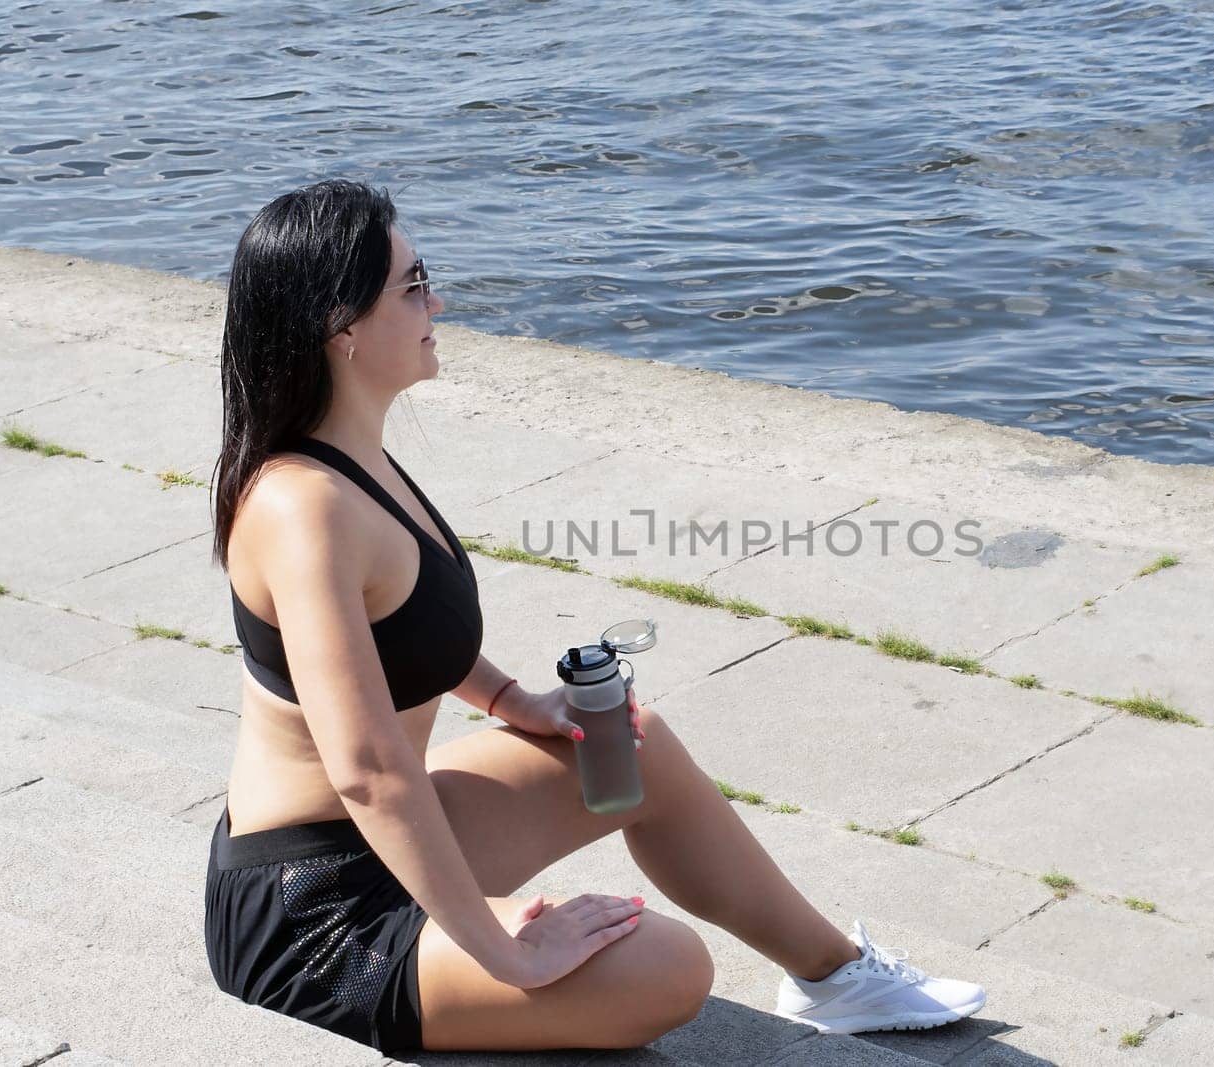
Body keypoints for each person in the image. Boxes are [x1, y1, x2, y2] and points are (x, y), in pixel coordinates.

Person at [201, 178, 987, 1054]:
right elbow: (368, 768)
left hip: (386, 837)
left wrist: (514, 702)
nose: (439, 302)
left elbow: (397, 630)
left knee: (627, 741)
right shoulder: (300, 505)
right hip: (315, 909)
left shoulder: (359, 458)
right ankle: (485, 962)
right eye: (413, 285)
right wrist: (502, 947)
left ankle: (837, 976)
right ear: (340, 327)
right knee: (670, 969)